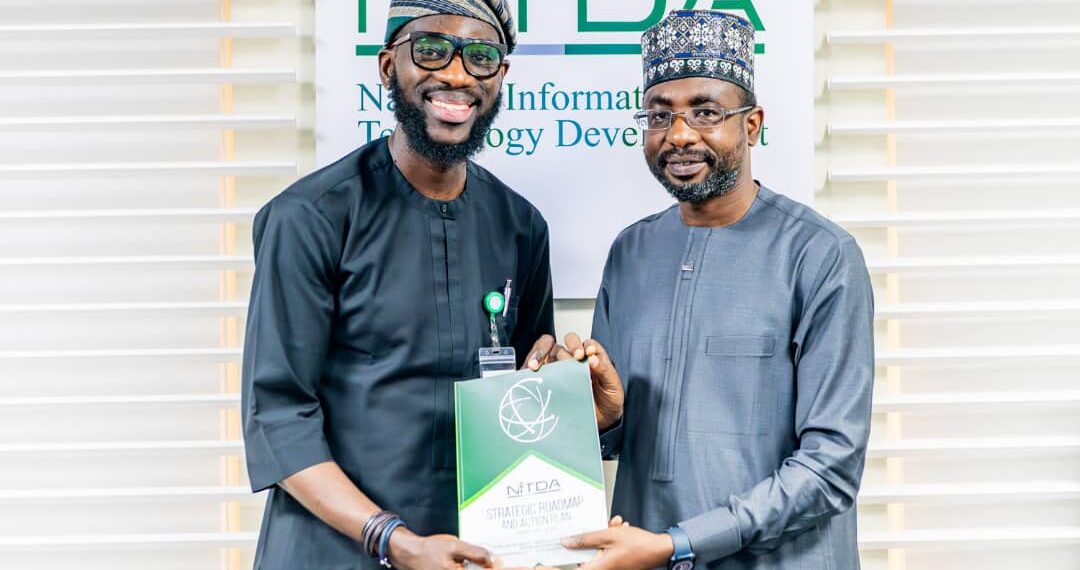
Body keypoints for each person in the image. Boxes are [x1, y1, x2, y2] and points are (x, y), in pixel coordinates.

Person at [528, 10, 875, 570]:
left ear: (753, 124)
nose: (679, 135)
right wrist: (604, 419)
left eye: (706, 112)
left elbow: (830, 468)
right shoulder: (630, 253)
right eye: (659, 116)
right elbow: (613, 443)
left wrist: (677, 544)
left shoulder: (821, 255)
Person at [241, 1, 555, 568]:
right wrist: (393, 540)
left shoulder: (520, 225)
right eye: (431, 50)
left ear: (500, 77)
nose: (457, 75)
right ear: (389, 67)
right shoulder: (311, 217)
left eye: (481, 57)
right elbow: (278, 416)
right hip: (331, 548)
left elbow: (529, 397)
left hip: (472, 551)